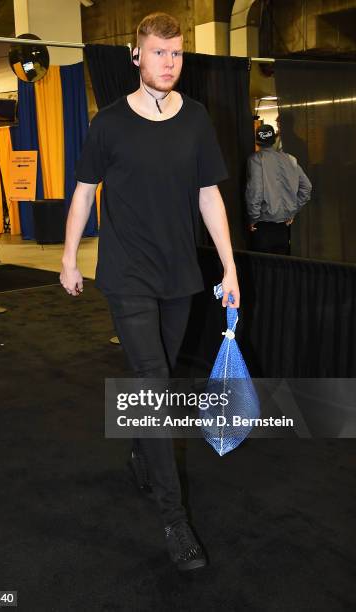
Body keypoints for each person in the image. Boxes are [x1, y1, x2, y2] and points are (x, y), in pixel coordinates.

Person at [60, 12, 240, 571]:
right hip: (126, 275)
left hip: (180, 275)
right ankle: (174, 519)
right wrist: (69, 257)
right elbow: (85, 192)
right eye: (158, 52)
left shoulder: (197, 120)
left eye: (176, 53)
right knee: (154, 383)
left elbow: (210, 196)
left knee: (161, 380)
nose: (169, 63)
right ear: (136, 57)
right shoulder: (109, 122)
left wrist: (230, 269)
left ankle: (141, 450)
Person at [246, 124, 312, 255]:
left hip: (263, 225)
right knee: (281, 266)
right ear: (274, 140)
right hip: (284, 226)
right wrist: (293, 210)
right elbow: (307, 187)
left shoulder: (255, 159)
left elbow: (256, 191)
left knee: (264, 269)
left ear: (257, 141)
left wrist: (253, 218)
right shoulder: (290, 159)